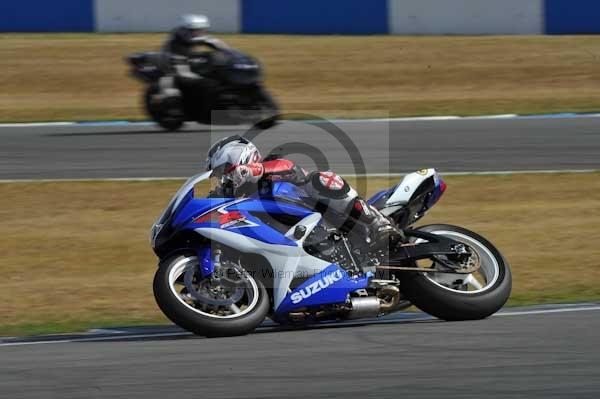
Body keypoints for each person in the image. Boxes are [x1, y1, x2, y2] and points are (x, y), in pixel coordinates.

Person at [205, 136, 395, 247]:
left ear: (242, 159)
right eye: (220, 176)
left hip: (327, 219)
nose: (224, 180)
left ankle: (377, 222)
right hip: (291, 245)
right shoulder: (231, 196)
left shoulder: (270, 166)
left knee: (321, 179)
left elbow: (289, 168)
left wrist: (255, 170)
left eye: (225, 172)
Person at [154, 14, 228, 106]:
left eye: (202, 30)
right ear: (186, 30)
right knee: (172, 86)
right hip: (171, 60)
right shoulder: (176, 41)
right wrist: (199, 79)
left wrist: (227, 52)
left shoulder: (195, 35)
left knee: (211, 59)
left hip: (187, 57)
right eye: (196, 31)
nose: (200, 33)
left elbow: (216, 44)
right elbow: (182, 69)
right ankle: (162, 97)